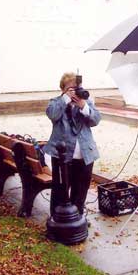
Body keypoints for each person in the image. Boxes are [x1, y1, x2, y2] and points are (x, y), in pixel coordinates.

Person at [44, 72, 101, 216]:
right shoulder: (56, 101)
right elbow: (53, 114)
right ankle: (57, 219)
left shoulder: (86, 102)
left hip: (85, 155)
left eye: (77, 88)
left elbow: (96, 120)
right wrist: (65, 100)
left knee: (80, 191)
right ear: (63, 89)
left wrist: (83, 106)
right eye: (71, 89)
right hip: (62, 156)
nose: (75, 92)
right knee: (59, 190)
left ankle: (77, 219)